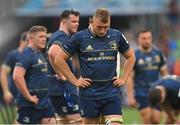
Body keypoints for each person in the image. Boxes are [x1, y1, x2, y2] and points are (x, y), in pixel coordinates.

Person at [53, 8, 136, 124]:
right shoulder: (79, 37)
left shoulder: (116, 35)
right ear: (92, 21)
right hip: (89, 93)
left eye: (106, 27)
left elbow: (131, 57)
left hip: (110, 91)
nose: (103, 31)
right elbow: (59, 59)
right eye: (99, 27)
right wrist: (75, 81)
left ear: (110, 22)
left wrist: (123, 78)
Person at [13, 25, 56, 124]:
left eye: (45, 37)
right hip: (29, 104)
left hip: (45, 103)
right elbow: (17, 77)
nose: (44, 39)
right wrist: (28, 97)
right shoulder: (26, 54)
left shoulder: (39, 54)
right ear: (31, 38)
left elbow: (38, 76)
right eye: (41, 37)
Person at [126, 29, 169, 124]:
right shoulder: (134, 56)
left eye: (149, 38)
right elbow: (130, 77)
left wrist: (167, 91)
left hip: (156, 91)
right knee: (147, 117)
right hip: (141, 91)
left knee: (156, 120)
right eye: (144, 38)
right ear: (138, 39)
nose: (146, 40)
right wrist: (130, 96)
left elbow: (165, 74)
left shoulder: (158, 54)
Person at [47, 9, 81, 124]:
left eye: (77, 21)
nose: (76, 24)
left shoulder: (57, 36)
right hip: (64, 89)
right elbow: (52, 53)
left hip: (56, 88)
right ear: (63, 21)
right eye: (73, 21)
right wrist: (61, 74)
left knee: (63, 121)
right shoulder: (62, 37)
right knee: (78, 120)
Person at [0, 31, 28, 104]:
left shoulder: (33, 54)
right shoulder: (12, 55)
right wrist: (6, 91)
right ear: (24, 41)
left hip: (32, 90)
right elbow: (3, 73)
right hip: (17, 92)